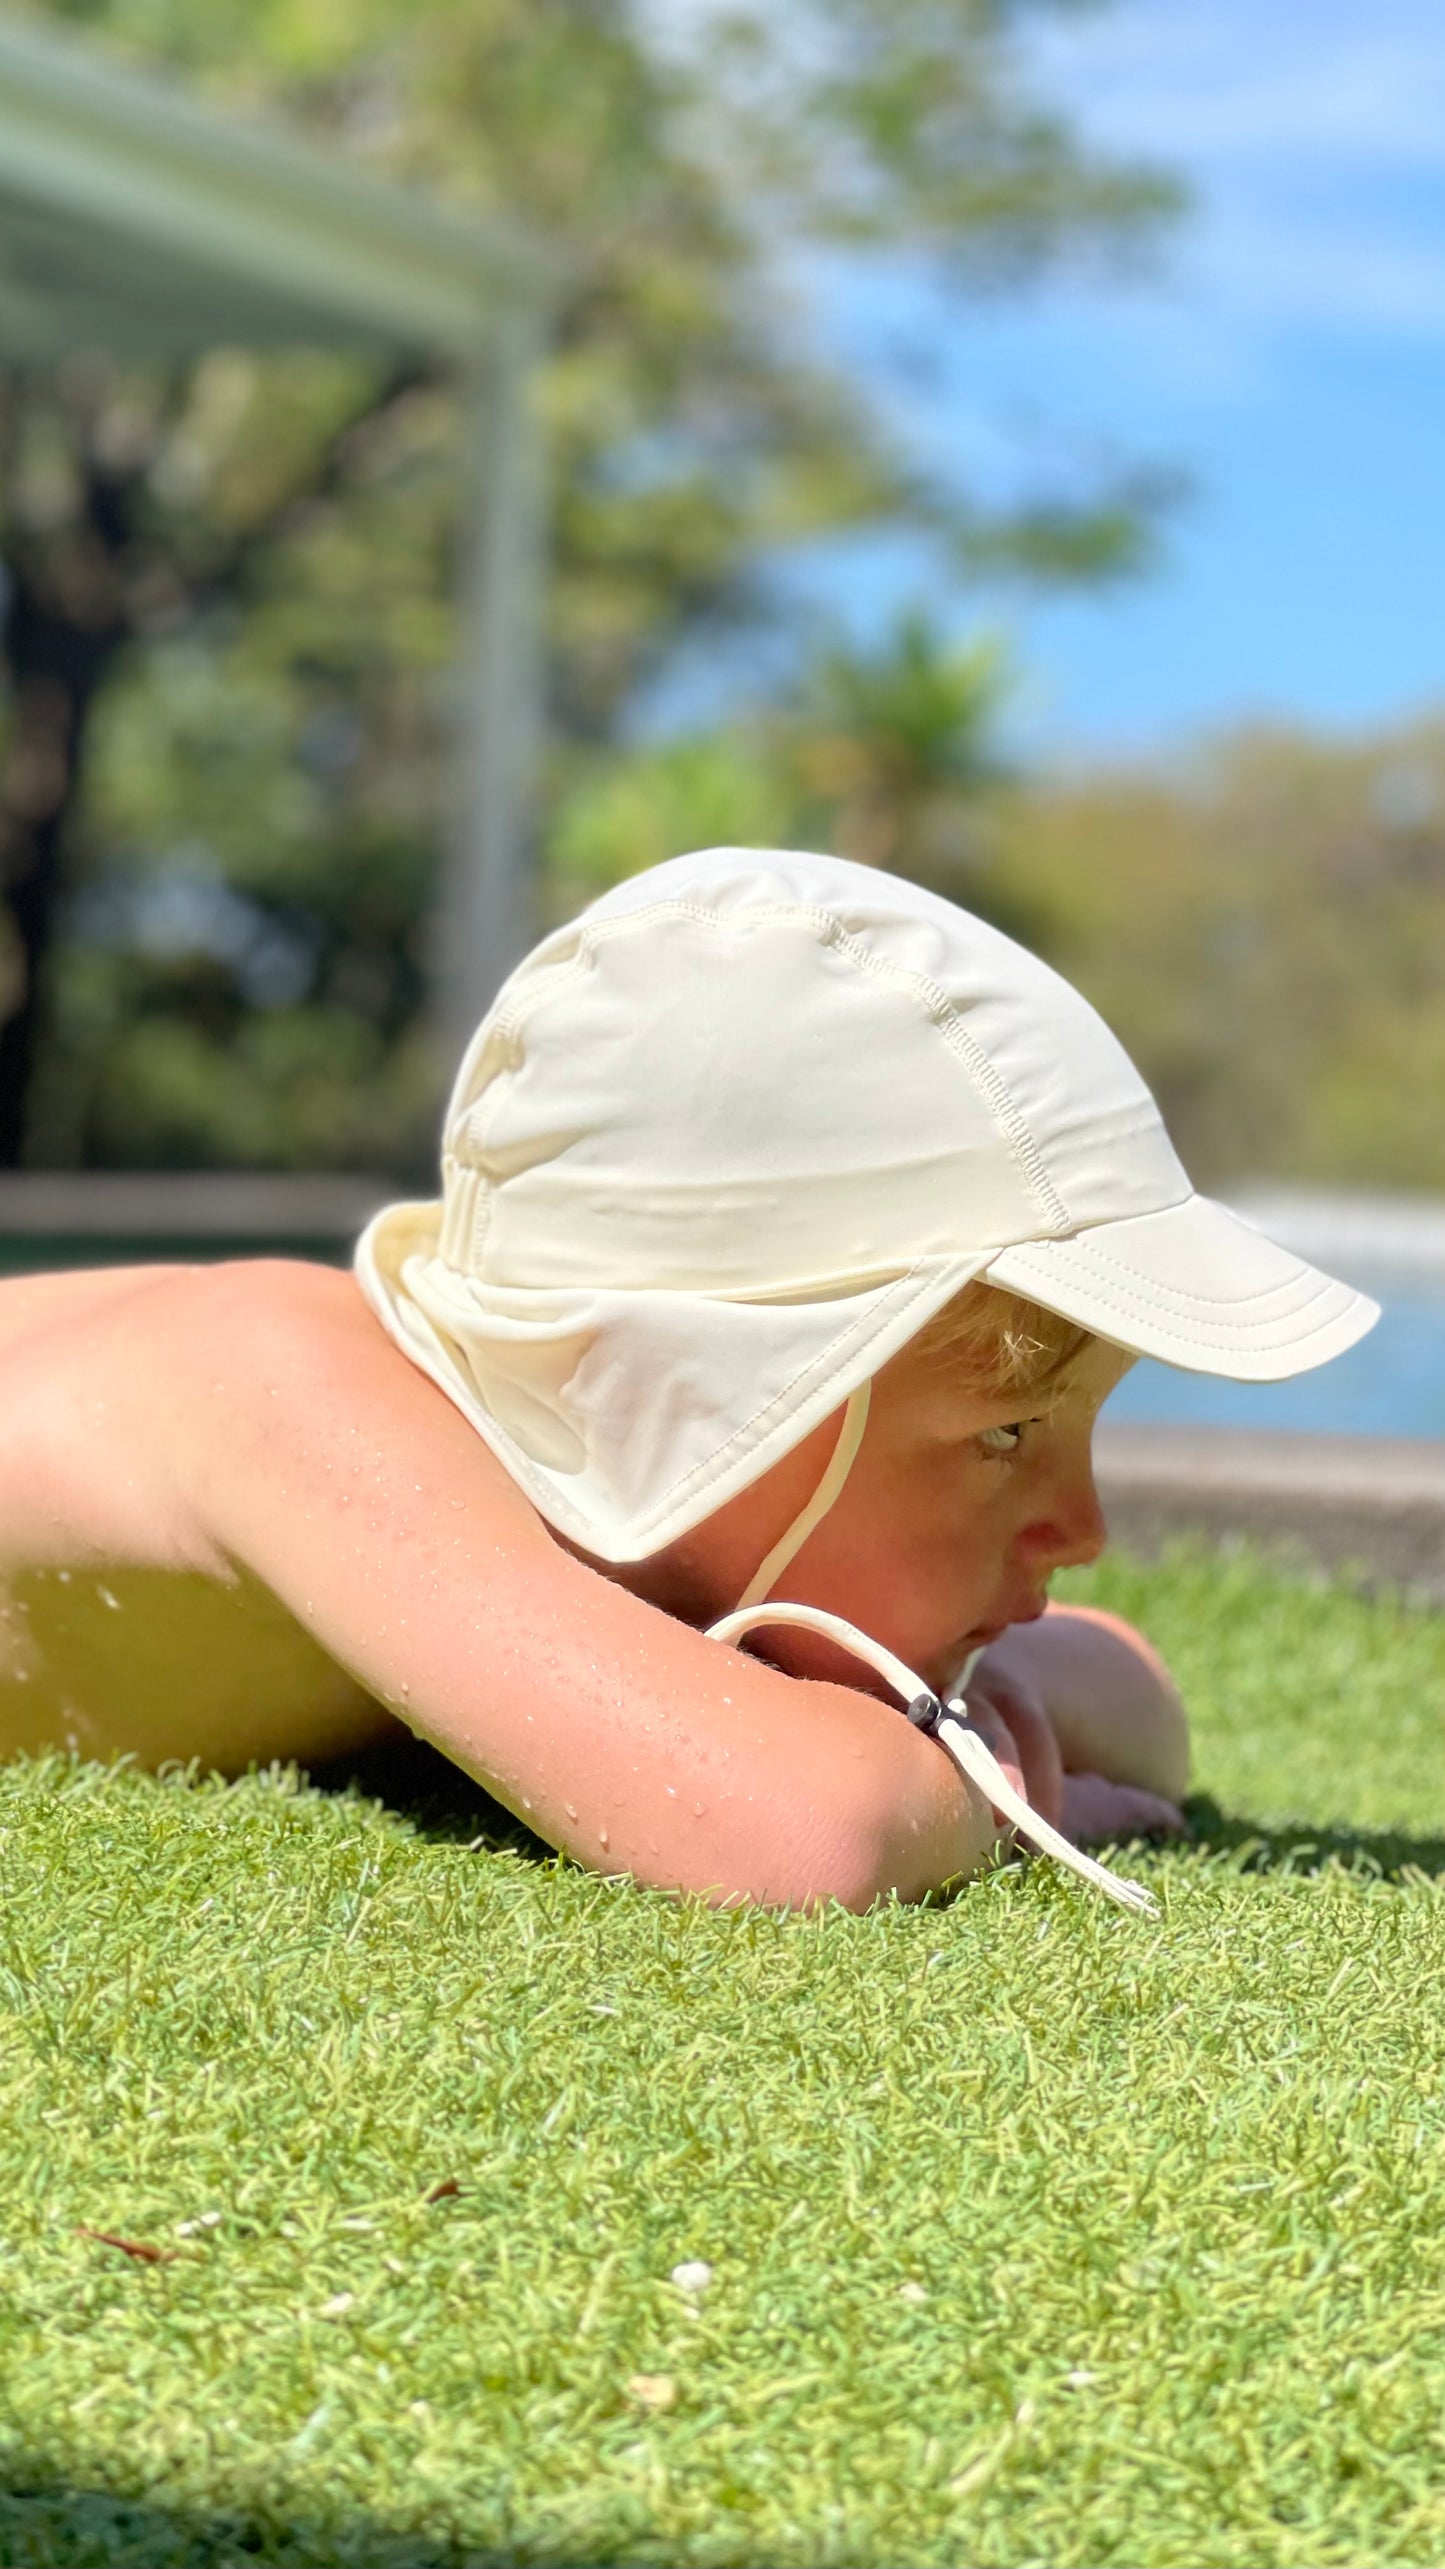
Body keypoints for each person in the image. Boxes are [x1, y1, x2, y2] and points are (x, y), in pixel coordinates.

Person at [0, 848, 1376, 1910]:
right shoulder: (289, 1400)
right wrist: (999, 1785)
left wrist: (987, 1712)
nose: (1083, 1530)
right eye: (1006, 1432)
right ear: (708, 1402)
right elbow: (793, 1829)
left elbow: (1132, 1691)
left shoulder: (586, 1503)